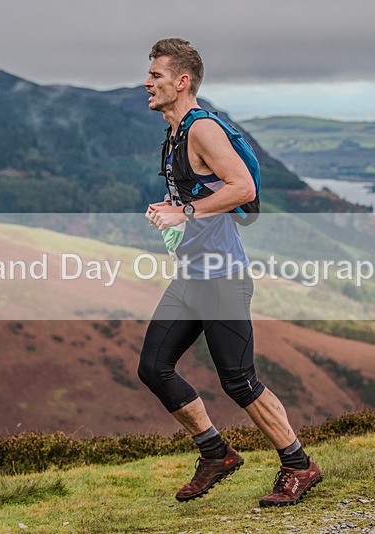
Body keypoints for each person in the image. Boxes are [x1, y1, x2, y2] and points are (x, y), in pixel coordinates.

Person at [139, 37, 323, 507]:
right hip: (192, 276)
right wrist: (173, 207)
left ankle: (299, 465)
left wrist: (185, 212)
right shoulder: (175, 134)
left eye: (156, 75)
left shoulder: (202, 129)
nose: (147, 82)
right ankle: (216, 453)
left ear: (182, 82)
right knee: (154, 367)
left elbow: (242, 188)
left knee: (239, 380)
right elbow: (202, 193)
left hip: (222, 276)